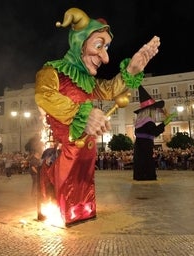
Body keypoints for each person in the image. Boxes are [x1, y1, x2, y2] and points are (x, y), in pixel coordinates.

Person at [35, 7, 160, 226]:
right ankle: (60, 211)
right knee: (64, 183)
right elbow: (44, 95)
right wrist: (81, 112)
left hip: (87, 151)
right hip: (65, 151)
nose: (105, 57)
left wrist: (131, 69)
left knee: (84, 184)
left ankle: (82, 210)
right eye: (98, 46)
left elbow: (111, 89)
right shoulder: (51, 72)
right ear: (78, 44)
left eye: (107, 47)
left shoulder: (89, 81)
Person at [132, 85, 176, 181]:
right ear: (150, 110)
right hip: (146, 145)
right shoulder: (148, 120)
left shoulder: (139, 122)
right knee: (147, 160)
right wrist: (165, 122)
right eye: (154, 109)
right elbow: (155, 132)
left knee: (139, 161)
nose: (155, 111)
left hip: (139, 144)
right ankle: (147, 176)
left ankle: (139, 176)